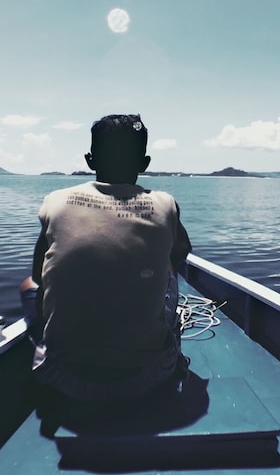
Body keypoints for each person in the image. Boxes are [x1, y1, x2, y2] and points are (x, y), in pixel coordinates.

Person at [20, 114, 192, 403]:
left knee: (28, 285)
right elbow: (180, 256)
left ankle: (44, 343)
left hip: (60, 375)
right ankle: (169, 350)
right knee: (170, 273)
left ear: (90, 160)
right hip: (148, 375)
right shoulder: (166, 204)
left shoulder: (56, 200)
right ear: (145, 163)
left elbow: (38, 276)